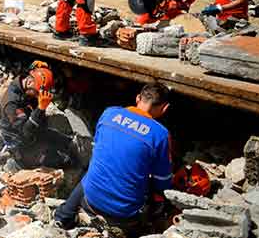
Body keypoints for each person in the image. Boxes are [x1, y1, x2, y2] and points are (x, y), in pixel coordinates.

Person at [53, 83, 172, 235]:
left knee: (94, 171)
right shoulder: (160, 134)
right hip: (123, 215)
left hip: (90, 201)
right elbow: (163, 182)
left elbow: (99, 150)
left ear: (138, 98)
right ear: (164, 108)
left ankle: (63, 217)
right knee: (157, 196)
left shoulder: (109, 113)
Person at [0, 61, 76, 169]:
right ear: (30, 83)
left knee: (68, 143)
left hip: (35, 131)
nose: (38, 96)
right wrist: (41, 108)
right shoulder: (12, 104)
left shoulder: (24, 82)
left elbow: (33, 73)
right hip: (21, 142)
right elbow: (25, 132)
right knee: (67, 161)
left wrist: (39, 68)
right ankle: (21, 162)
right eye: (37, 93)